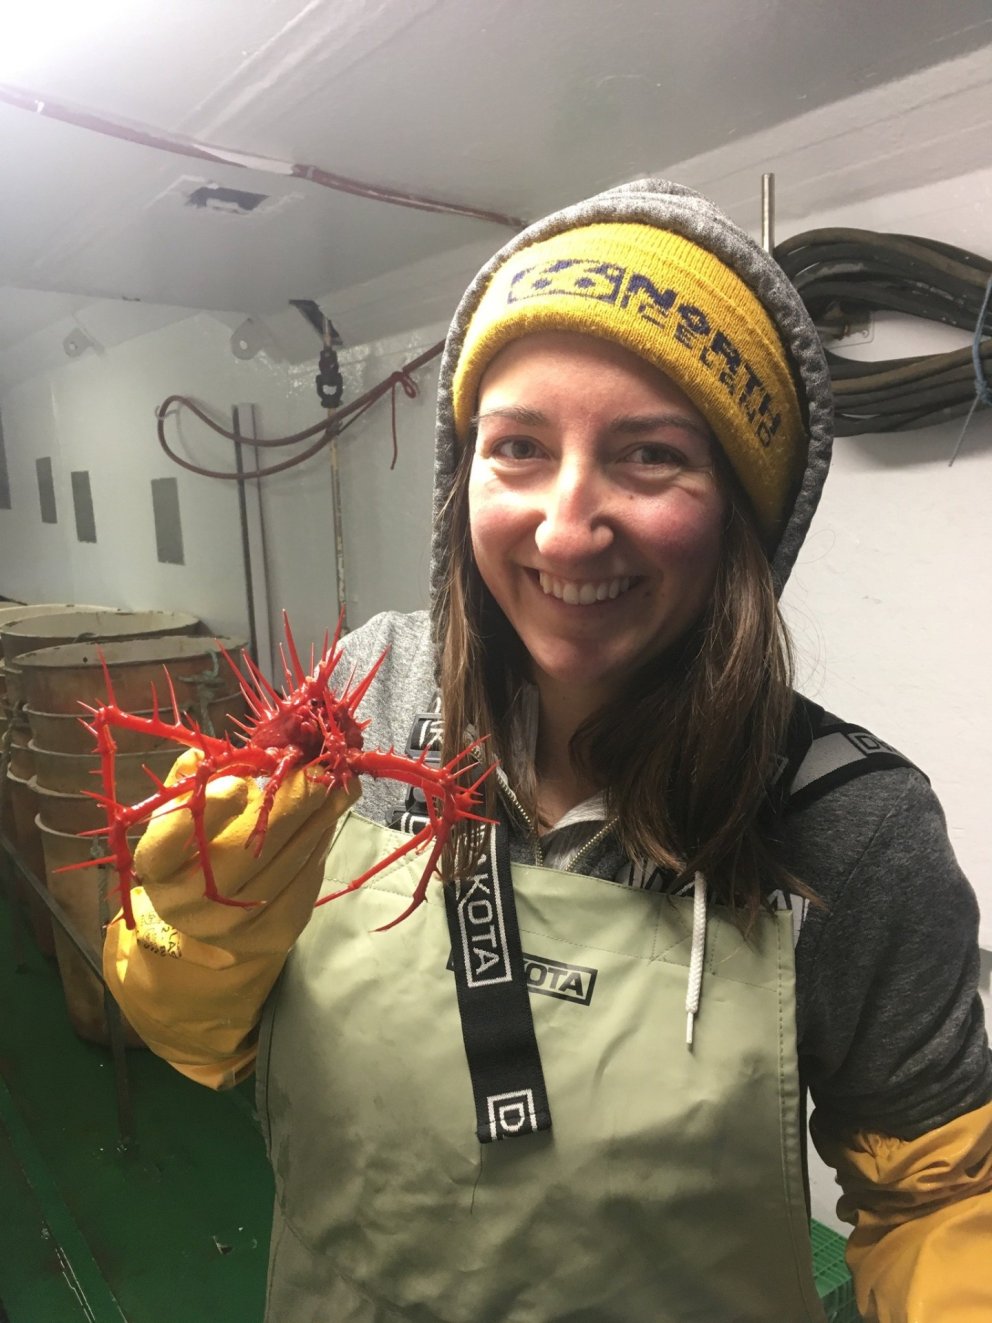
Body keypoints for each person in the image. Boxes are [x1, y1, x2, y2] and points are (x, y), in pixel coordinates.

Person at [103, 179, 992, 1323]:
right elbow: (203, 1036)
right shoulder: (362, 702)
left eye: (649, 455)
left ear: (740, 513)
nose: (566, 526)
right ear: (461, 478)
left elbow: (938, 1202)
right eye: (517, 447)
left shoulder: (848, 824)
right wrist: (194, 939)